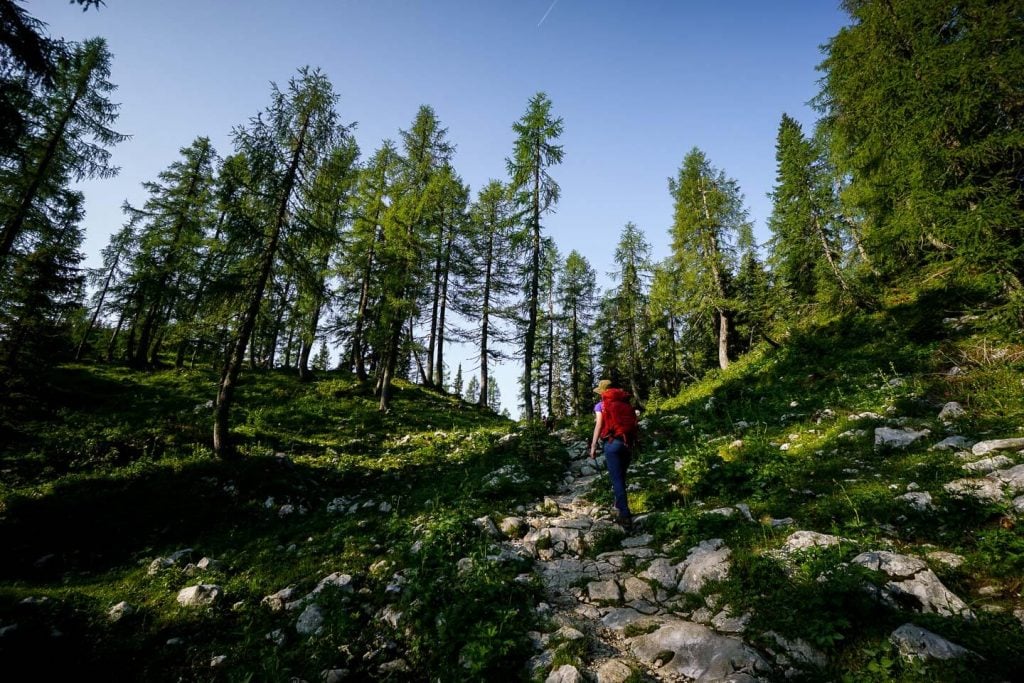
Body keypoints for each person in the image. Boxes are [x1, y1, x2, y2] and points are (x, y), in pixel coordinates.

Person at [589, 378, 635, 529]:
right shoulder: (625, 403)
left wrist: (593, 445)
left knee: (616, 479)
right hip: (627, 443)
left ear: (602, 392)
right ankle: (619, 504)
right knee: (621, 477)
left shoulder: (601, 405)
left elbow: (599, 425)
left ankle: (624, 513)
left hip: (612, 443)